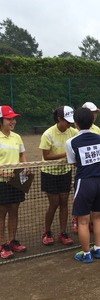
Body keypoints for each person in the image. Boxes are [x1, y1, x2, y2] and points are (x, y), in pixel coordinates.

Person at [66, 107, 100, 263]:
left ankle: (86, 254)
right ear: (92, 121)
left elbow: (73, 162)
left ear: (75, 123)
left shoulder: (71, 142)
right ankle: (98, 249)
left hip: (84, 181)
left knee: (82, 221)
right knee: (97, 218)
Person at [39, 106, 78, 245]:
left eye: (71, 122)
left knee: (64, 202)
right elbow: (46, 156)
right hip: (49, 173)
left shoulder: (73, 132)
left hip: (65, 172)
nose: (69, 124)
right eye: (67, 121)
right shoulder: (48, 134)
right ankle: (47, 231)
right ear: (59, 119)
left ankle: (63, 232)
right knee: (54, 203)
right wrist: (66, 154)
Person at [71, 101, 100, 234]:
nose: (95, 115)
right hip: (82, 173)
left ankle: (90, 222)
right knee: (80, 199)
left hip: (96, 172)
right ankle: (76, 219)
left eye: (96, 112)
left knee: (95, 204)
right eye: (93, 112)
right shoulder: (75, 131)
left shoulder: (97, 130)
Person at [0, 106, 28, 259]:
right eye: (9, 119)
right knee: (1, 214)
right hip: (1, 182)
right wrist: (2, 172)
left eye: (14, 118)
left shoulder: (16, 137)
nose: (13, 121)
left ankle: (11, 241)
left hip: (16, 180)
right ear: (0, 120)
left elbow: (21, 154)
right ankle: (1, 244)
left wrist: (25, 166)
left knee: (14, 210)